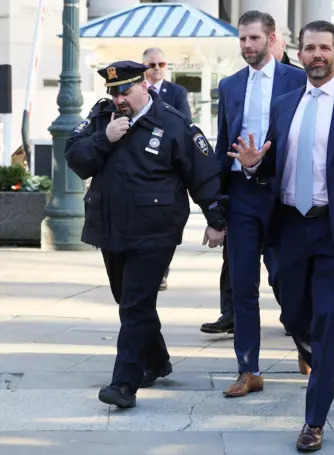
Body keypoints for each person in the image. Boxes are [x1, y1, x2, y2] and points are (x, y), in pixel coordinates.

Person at [229, 20, 334, 452]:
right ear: (297, 54)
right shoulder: (284, 104)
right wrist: (250, 165)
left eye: (325, 48)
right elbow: (271, 163)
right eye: (309, 48)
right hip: (286, 228)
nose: (316, 55)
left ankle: (313, 421)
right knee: (292, 313)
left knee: (326, 321)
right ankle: (323, 357)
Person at [65, 61, 227, 408]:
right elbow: (75, 157)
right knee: (128, 300)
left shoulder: (173, 123)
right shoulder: (101, 118)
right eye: (113, 92)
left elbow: (204, 174)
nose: (119, 98)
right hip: (110, 227)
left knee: (136, 305)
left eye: (124, 90)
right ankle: (156, 360)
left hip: (156, 231)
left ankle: (123, 384)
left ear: (144, 86)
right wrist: (104, 138)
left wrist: (216, 219)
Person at [213, 11, 308, 399]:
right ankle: (248, 368)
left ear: (271, 40)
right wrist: (216, 211)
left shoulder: (298, 79)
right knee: (243, 284)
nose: (247, 46)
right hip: (241, 194)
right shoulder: (230, 85)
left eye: (254, 38)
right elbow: (222, 146)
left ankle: (307, 343)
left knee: (288, 278)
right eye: (242, 39)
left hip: (284, 193)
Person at [141, 47, 192, 291]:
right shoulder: (135, 91)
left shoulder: (177, 92)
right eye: (152, 65)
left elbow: (185, 124)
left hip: (169, 167)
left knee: (166, 224)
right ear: (144, 67)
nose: (158, 68)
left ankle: (161, 272)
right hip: (142, 167)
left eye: (162, 64)